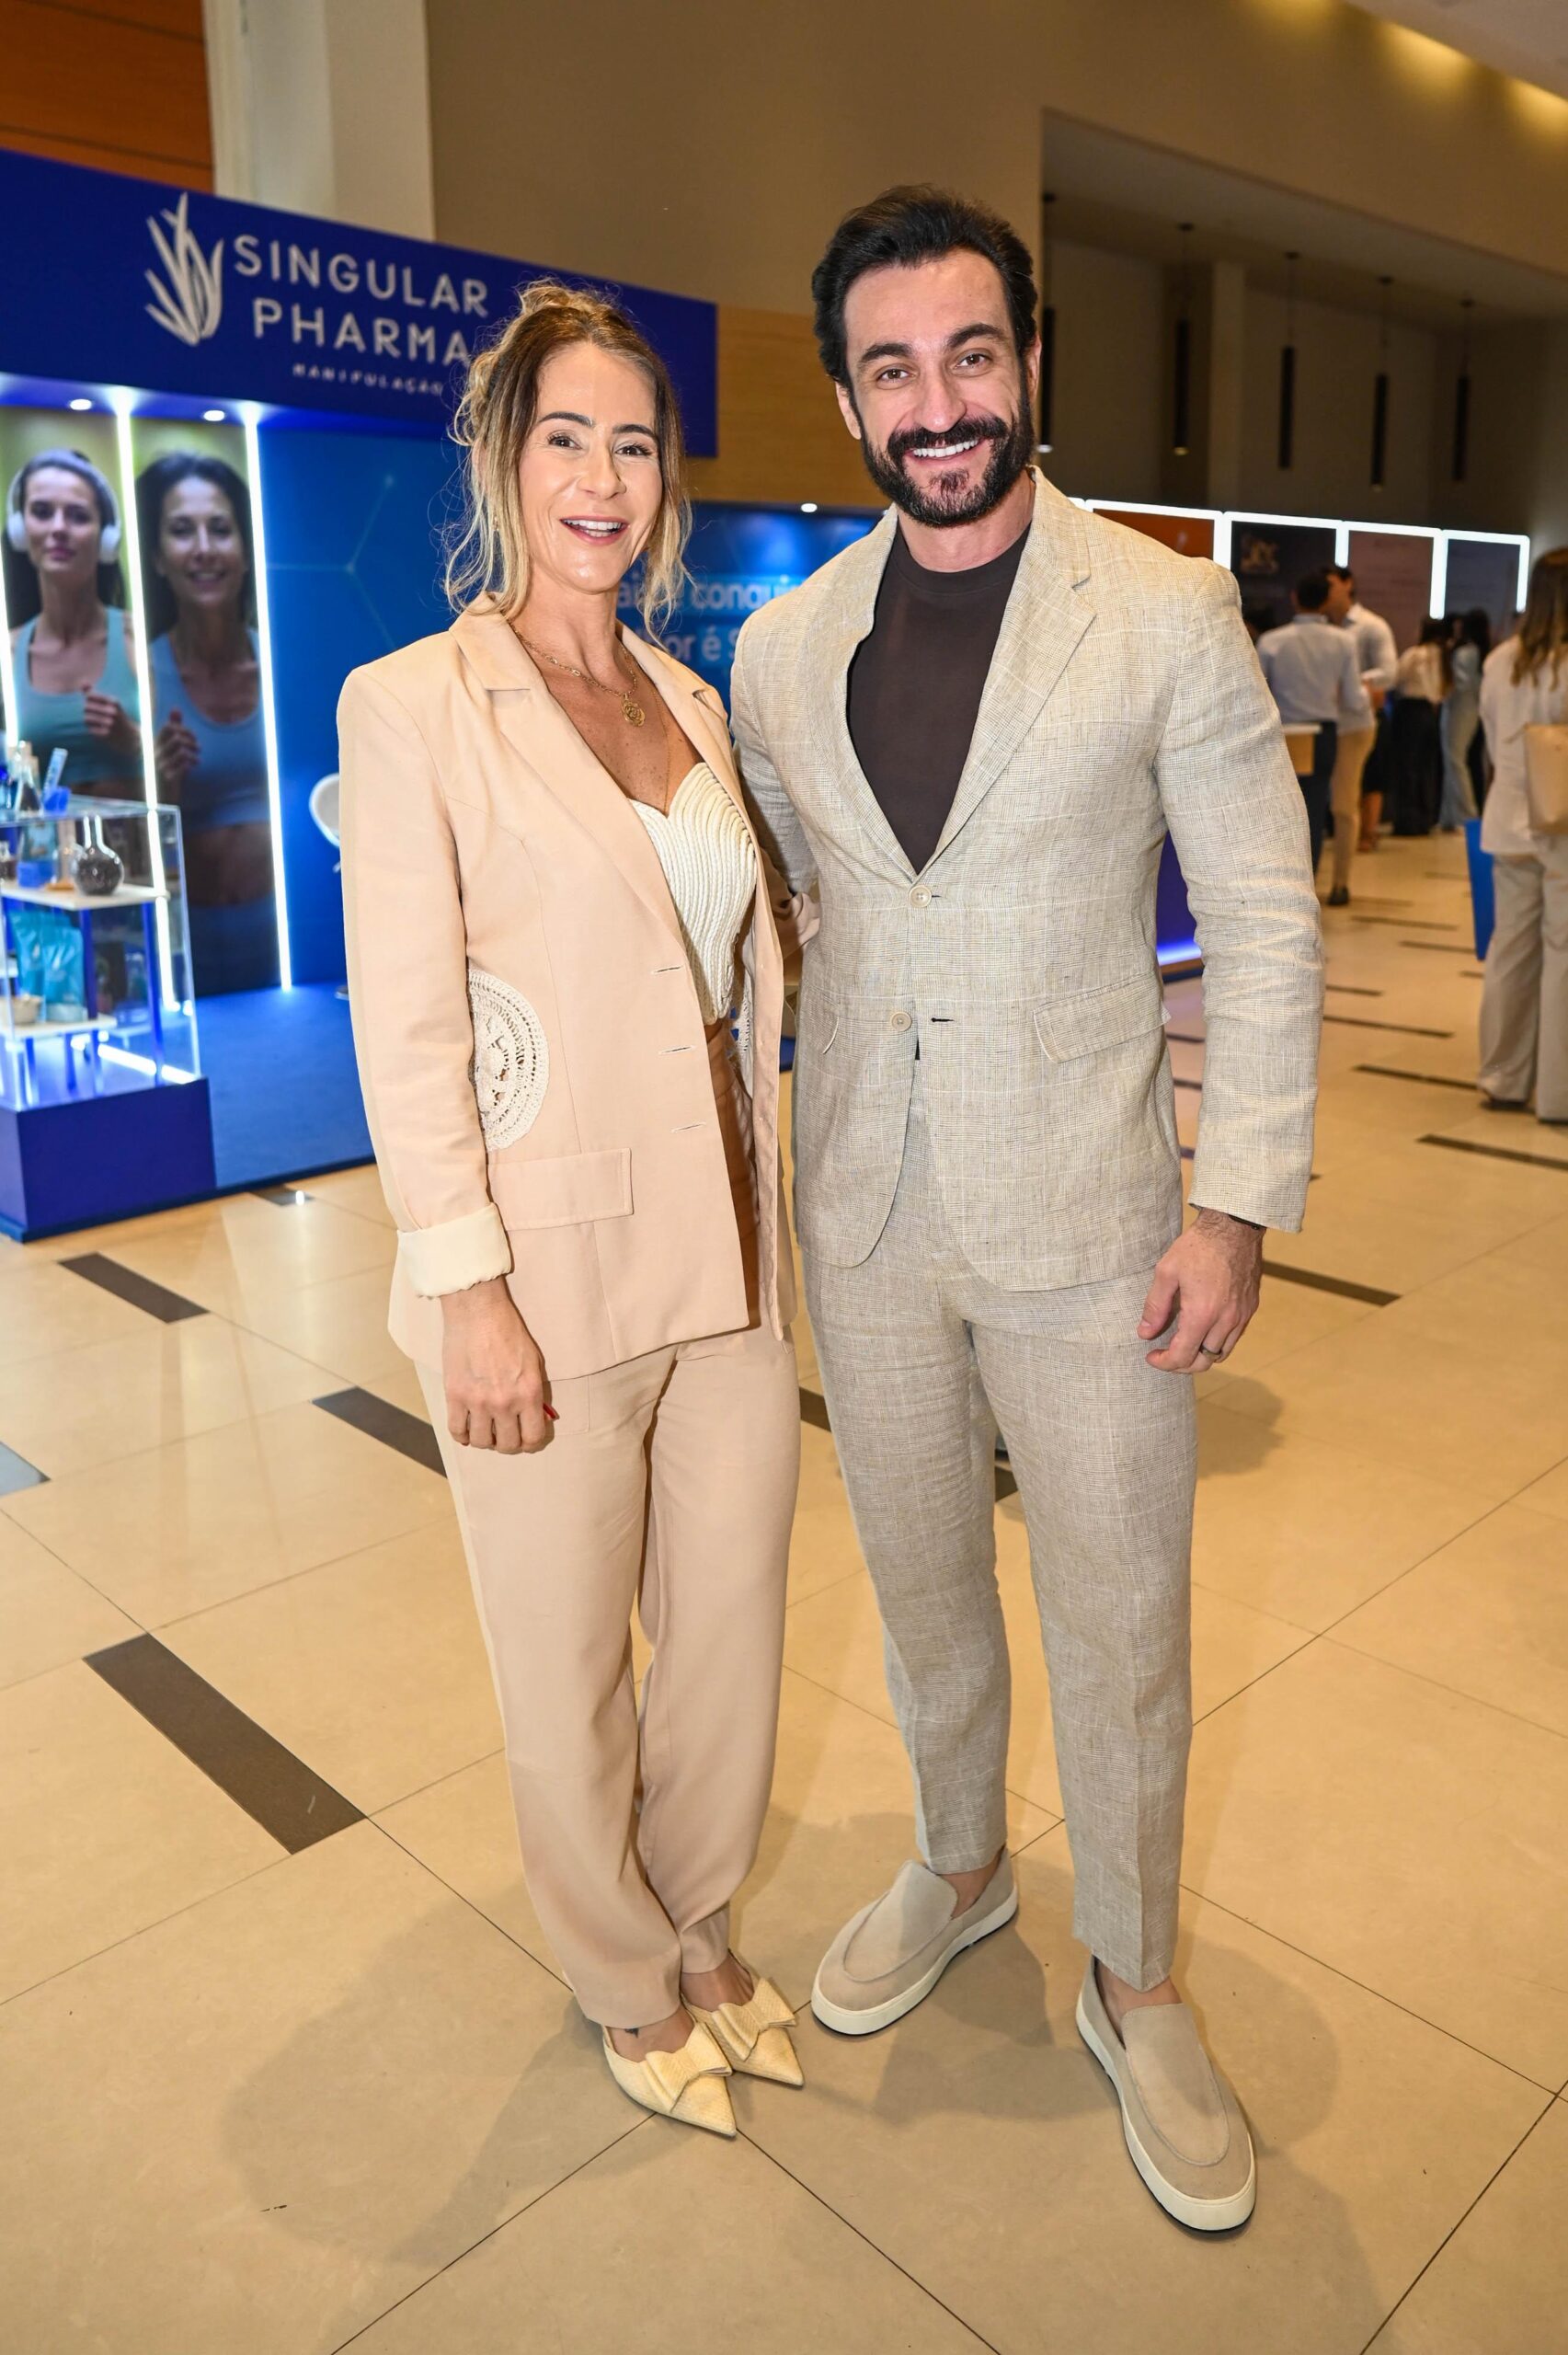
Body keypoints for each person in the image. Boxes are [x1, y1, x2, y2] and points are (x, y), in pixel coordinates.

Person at [733, 186, 1322, 2233]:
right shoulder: (781, 647)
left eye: (971, 355)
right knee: (920, 1586)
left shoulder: (1160, 610)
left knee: (1123, 1619)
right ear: (847, 402)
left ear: (1030, 362)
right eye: (892, 369)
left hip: (1095, 1222)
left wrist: (1234, 1206)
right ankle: (963, 1859)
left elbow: (1263, 917)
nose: (940, 404)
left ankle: (1136, 1975)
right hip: (868, 1214)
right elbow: (795, 909)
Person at [338, 282, 806, 2137]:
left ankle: (697, 1925)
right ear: (502, 460)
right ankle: (621, 1976)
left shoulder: (689, 696)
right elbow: (410, 1028)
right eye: (565, 440)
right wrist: (468, 1288)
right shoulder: (415, 707)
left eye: (632, 445)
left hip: (732, 1253)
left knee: (729, 1633)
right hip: (544, 1267)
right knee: (565, 1662)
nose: (601, 478)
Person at [137, 453, 278, 993]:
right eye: (181, 530)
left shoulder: (283, 667)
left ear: (245, 549)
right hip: (188, 949)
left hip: (291, 942)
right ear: (157, 557)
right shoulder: (140, 677)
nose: (203, 548)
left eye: (220, 529)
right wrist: (159, 788)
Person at [1476, 547, 1568, 1123]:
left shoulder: (1500, 661)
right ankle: (1558, 1092)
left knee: (1510, 950)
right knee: (1563, 952)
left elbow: (1490, 741)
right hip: (1562, 825)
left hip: (1508, 818)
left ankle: (1503, 1077)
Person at [5, 447, 142, 794]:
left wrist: (136, 742)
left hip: (136, 830)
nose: (59, 528)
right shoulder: (7, 655)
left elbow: (191, 775)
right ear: (20, 529)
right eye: (42, 512)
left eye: (78, 516)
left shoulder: (139, 641)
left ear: (107, 537)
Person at [1257, 570, 1373, 884]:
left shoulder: (1271, 641)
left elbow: (1258, 693)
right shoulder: (1343, 641)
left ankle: (1279, 880)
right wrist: (1368, 696)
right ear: (1325, 602)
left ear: (1294, 598)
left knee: (1278, 808)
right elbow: (1354, 699)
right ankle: (1310, 882)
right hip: (1323, 733)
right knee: (1315, 807)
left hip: (1283, 733)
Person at [1323, 563, 1396, 894]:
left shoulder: (1371, 626)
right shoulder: (1319, 625)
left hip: (1354, 723)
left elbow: (1389, 672)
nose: (1327, 591)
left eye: (1331, 584)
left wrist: (1355, 684)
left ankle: (1342, 880)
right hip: (1319, 722)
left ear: (1347, 584)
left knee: (1347, 800)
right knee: (1316, 800)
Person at [1387, 619, 1449, 836]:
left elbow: (1396, 678)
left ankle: (1408, 820)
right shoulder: (1444, 657)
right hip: (1432, 713)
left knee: (1407, 767)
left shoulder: (1415, 654)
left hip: (1410, 711)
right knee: (1427, 767)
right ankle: (1426, 818)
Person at [1438, 607, 1489, 833]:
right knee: (1455, 759)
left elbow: (1459, 684)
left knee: (1455, 759)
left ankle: (1466, 814)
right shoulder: (1482, 652)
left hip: (1459, 707)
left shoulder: (1464, 653)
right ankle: (1450, 814)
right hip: (1471, 708)